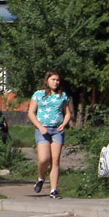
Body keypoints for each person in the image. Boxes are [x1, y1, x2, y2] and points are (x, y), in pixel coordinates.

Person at [28, 71, 72, 199]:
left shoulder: (62, 96)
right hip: (43, 129)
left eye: (57, 80)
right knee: (44, 159)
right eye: (53, 79)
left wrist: (64, 124)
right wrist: (40, 127)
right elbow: (31, 113)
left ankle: (53, 189)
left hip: (57, 130)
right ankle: (41, 178)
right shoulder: (38, 94)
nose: (56, 82)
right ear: (47, 80)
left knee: (55, 160)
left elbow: (67, 113)